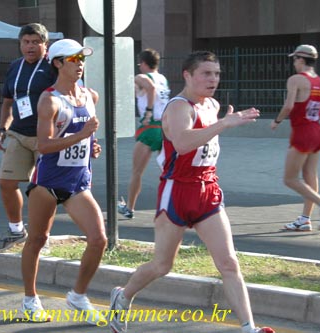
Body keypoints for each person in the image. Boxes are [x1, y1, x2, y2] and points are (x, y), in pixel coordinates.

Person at [108, 51, 275, 333]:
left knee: (229, 262)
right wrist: (222, 124)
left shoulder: (212, 104)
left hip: (208, 190)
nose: (213, 79)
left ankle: (249, 328)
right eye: (206, 74)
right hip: (177, 191)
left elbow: (205, 144)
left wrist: (220, 121)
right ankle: (122, 296)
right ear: (187, 75)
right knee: (162, 265)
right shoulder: (178, 107)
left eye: (217, 74)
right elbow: (183, 143)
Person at [20, 38, 106, 324]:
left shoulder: (90, 96)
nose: (80, 64)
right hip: (48, 183)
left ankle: (78, 296)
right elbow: (43, 146)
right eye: (73, 59)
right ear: (57, 63)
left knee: (98, 239)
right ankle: (30, 299)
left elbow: (87, 139)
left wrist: (92, 146)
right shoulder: (50, 100)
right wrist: (82, 136)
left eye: (82, 58)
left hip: (78, 183)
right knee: (37, 240)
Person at [0, 23, 56, 252]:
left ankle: (43, 237)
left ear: (45, 45)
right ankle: (16, 230)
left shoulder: (52, 66)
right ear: (20, 44)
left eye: (36, 42)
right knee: (6, 183)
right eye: (26, 42)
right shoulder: (14, 67)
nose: (30, 46)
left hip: (45, 136)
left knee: (43, 191)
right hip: (18, 134)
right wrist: (2, 129)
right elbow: (8, 101)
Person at [271, 44, 320, 232]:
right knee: (310, 175)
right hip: (317, 130)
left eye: (294, 59)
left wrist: (277, 121)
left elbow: (289, 105)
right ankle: (304, 219)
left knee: (290, 179)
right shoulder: (319, 81)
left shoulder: (296, 80)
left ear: (301, 59)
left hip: (303, 132)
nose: (293, 62)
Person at [118, 49, 170, 219]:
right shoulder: (162, 78)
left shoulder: (141, 77)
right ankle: (171, 205)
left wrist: (148, 111)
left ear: (144, 63)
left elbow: (150, 88)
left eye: (140, 63)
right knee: (169, 170)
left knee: (137, 172)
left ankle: (130, 208)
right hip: (165, 128)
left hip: (150, 127)